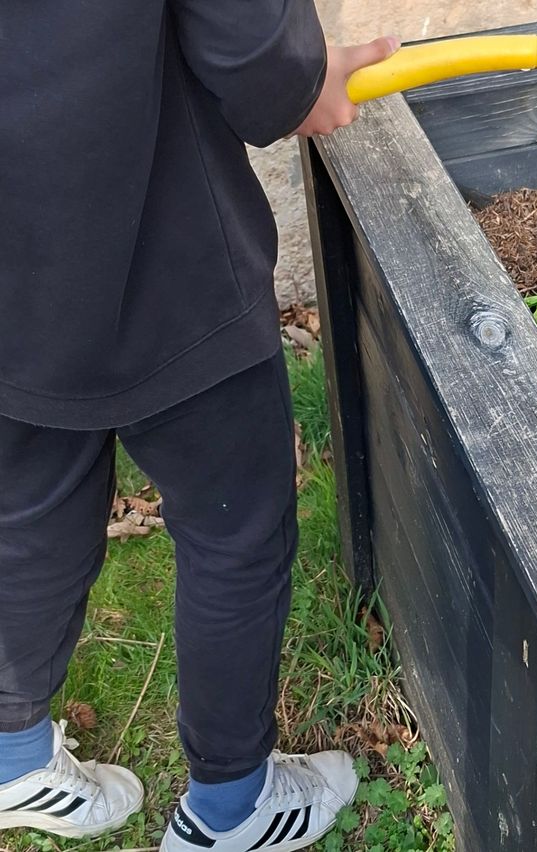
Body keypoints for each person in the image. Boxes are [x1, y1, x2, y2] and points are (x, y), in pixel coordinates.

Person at [0, 3, 398, 850]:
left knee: (27, 509)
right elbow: (253, 54)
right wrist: (299, 81)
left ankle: (12, 761)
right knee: (235, 524)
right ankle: (232, 807)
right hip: (154, 239)